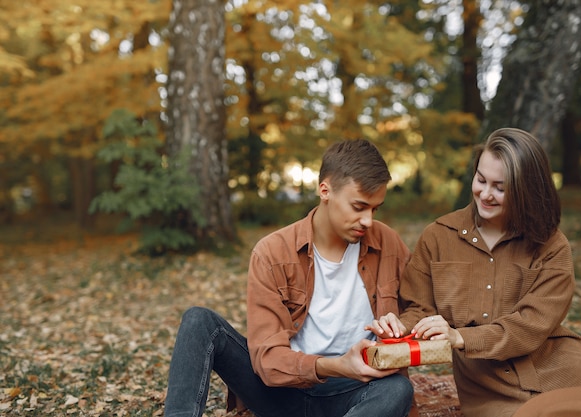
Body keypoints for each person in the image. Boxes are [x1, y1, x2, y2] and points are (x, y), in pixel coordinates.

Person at [369, 128, 581, 417]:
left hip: (557, 364)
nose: (485, 194)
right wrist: (399, 327)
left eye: (500, 187)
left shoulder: (551, 244)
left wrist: (462, 338)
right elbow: (419, 309)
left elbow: (532, 323)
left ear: (526, 189)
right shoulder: (437, 237)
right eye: (481, 180)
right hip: (487, 382)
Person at [164, 139, 415, 417]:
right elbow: (267, 361)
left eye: (375, 209)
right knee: (199, 321)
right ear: (325, 190)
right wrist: (337, 364)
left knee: (398, 390)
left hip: (355, 389)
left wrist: (402, 325)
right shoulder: (272, 252)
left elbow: (420, 307)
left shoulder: (388, 243)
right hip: (282, 391)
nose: (368, 220)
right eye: (359, 207)